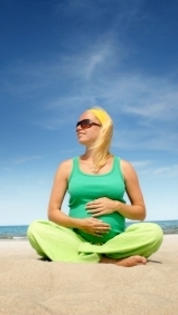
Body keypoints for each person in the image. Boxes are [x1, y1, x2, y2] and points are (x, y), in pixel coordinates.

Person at [27, 107, 163, 267]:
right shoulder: (67, 166)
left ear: (103, 128)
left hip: (116, 241)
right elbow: (53, 212)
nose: (78, 128)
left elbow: (140, 213)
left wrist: (117, 206)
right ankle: (107, 260)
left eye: (85, 123)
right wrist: (80, 223)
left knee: (154, 232)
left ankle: (85, 255)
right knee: (36, 229)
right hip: (76, 238)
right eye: (77, 124)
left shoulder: (124, 167)